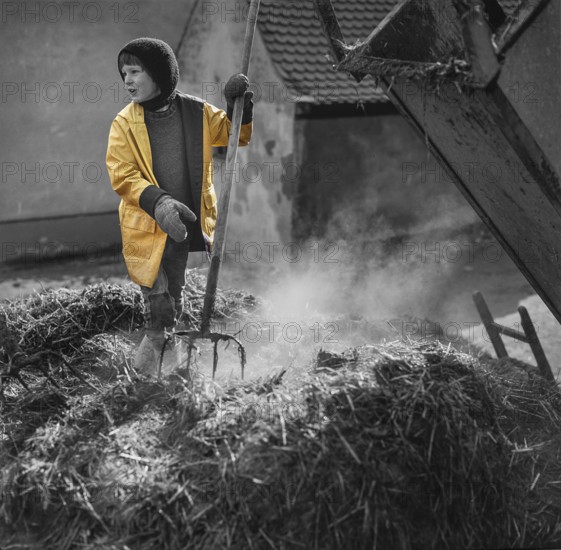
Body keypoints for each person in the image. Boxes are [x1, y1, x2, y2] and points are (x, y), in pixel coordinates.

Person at [106, 37, 254, 376]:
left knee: (174, 294)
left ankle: (172, 363)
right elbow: (122, 174)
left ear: (160, 73)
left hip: (184, 225)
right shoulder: (124, 123)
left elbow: (236, 136)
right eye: (123, 73)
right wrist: (159, 204)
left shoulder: (197, 112)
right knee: (156, 302)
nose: (127, 80)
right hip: (146, 227)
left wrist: (238, 105)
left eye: (135, 71)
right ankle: (143, 374)